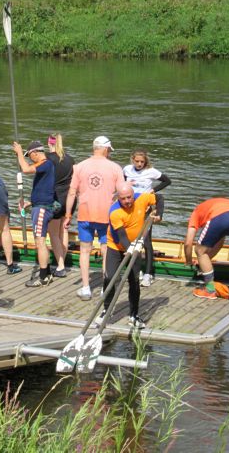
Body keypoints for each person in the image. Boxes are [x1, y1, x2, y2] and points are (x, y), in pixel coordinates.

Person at [64, 136, 124, 300]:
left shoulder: (79, 167)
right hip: (107, 216)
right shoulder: (115, 168)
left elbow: (71, 193)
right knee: (106, 251)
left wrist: (68, 215)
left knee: (85, 250)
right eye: (109, 150)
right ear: (105, 149)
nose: (110, 153)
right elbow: (123, 193)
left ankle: (85, 288)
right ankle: (105, 288)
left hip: (85, 214)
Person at [98, 183, 164, 329]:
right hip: (115, 247)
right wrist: (131, 249)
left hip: (135, 245)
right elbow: (121, 236)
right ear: (118, 198)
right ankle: (106, 310)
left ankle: (134, 315)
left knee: (134, 281)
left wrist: (159, 213)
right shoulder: (115, 212)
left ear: (132, 194)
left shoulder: (141, 198)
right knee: (110, 277)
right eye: (123, 199)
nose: (127, 201)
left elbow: (159, 197)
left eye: (129, 197)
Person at [123, 148, 172, 288]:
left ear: (146, 162)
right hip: (129, 208)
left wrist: (153, 190)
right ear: (132, 160)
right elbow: (121, 185)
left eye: (142, 162)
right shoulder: (126, 170)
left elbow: (167, 181)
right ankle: (135, 270)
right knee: (132, 240)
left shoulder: (151, 171)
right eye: (137, 161)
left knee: (146, 241)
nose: (139, 164)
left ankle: (148, 274)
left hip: (145, 210)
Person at [184, 198, 229, 300]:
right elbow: (219, 243)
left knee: (199, 251)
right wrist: (206, 260)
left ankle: (210, 290)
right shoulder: (213, 205)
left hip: (219, 217)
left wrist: (188, 261)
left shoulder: (196, 212)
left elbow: (188, 243)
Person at [13, 140, 57, 287]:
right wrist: (30, 202)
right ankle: (48, 272)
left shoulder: (45, 164)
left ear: (35, 153)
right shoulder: (47, 166)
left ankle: (43, 277)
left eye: (29, 155)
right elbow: (44, 189)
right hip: (40, 206)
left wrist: (19, 153)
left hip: (42, 209)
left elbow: (25, 170)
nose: (29, 158)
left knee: (40, 242)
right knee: (41, 241)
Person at [45, 133, 74, 277]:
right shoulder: (70, 159)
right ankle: (61, 261)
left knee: (53, 233)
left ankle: (60, 266)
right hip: (69, 198)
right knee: (64, 230)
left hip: (55, 199)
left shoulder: (48, 158)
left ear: (49, 143)